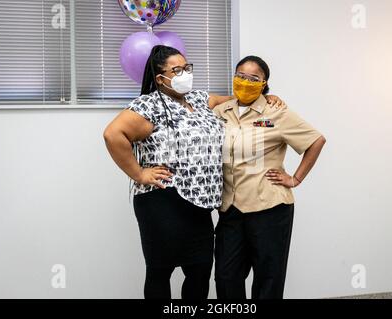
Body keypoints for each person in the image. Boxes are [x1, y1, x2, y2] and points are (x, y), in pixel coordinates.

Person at [103, 46, 283, 299]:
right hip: (163, 200)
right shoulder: (149, 104)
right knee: (160, 270)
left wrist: (268, 97)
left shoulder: (199, 99)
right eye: (176, 70)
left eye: (187, 68)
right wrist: (140, 173)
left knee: (199, 271)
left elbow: (237, 100)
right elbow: (113, 135)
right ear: (160, 78)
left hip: (200, 203)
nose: (184, 73)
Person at [212, 56, 327, 299]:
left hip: (269, 208)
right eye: (240, 75)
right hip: (230, 208)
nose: (245, 81)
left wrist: (295, 178)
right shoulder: (221, 111)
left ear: (264, 84)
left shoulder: (276, 112)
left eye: (253, 78)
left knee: (268, 278)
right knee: (226, 276)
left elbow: (316, 140)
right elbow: (197, 102)